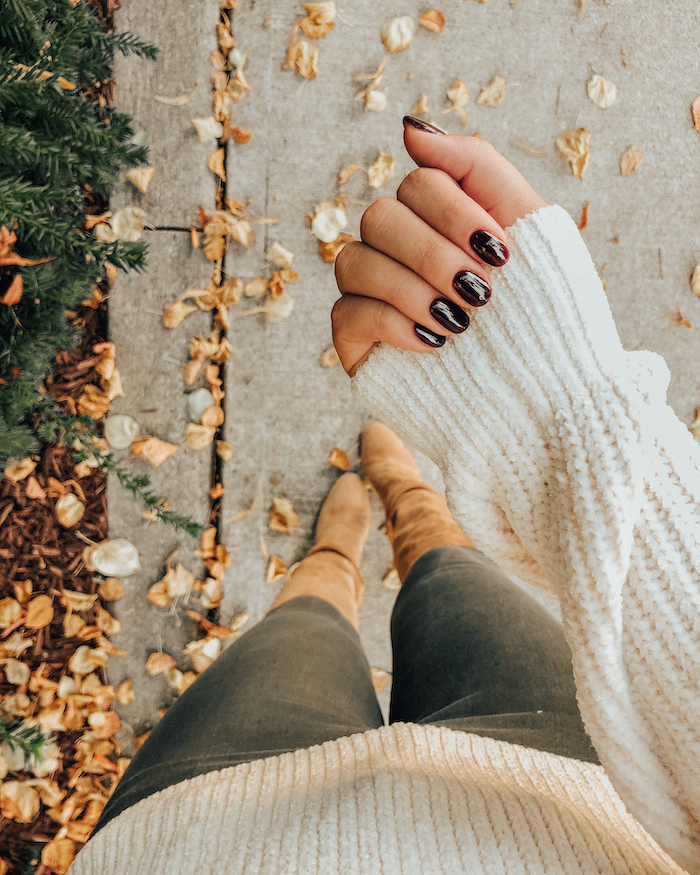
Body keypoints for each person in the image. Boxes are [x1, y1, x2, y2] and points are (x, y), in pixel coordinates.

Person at [69, 119, 700, 875]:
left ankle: (337, 554)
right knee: (452, 574)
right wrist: (564, 425)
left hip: (207, 834)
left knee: (306, 622)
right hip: (558, 785)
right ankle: (410, 503)